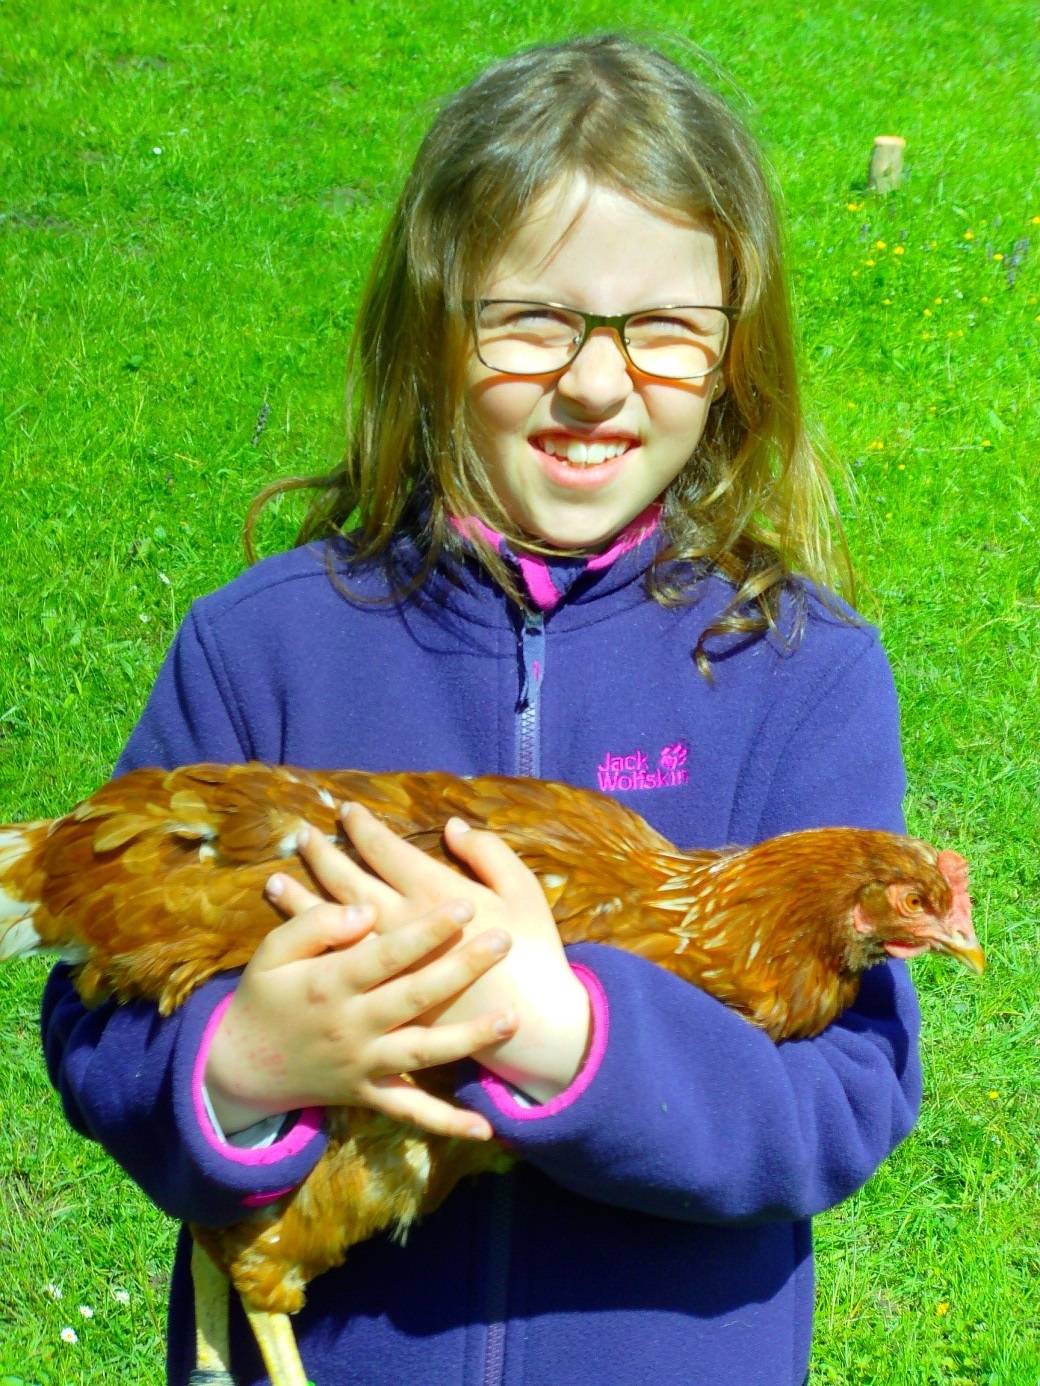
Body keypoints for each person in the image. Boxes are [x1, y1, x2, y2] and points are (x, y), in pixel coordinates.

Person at [42, 34, 921, 1386]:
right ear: (434, 325)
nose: (594, 381)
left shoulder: (803, 675)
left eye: (664, 327)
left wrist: (570, 1035)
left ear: (735, 354)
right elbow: (99, 1009)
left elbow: (847, 1096)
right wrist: (239, 1064)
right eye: (533, 318)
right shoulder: (265, 648)